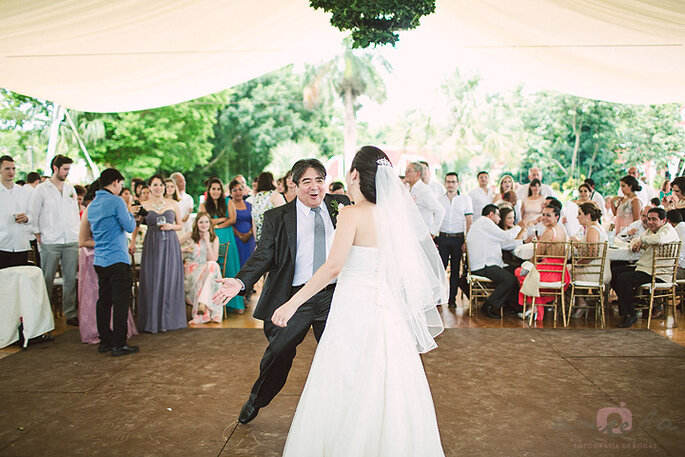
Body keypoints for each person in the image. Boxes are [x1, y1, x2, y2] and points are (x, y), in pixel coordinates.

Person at [232, 147, 445, 455]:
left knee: (343, 375)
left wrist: (291, 304)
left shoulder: (350, 212)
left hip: (351, 305)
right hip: (385, 309)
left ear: (355, 175)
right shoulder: (391, 216)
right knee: (387, 378)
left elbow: (333, 266)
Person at [213, 158, 351, 426]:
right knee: (279, 353)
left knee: (339, 353)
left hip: (334, 295)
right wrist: (241, 282)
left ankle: (342, 411)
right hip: (294, 298)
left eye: (320, 180)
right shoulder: (277, 217)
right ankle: (257, 398)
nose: (315, 187)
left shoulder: (340, 205)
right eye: (307, 181)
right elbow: (263, 255)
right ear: (294, 184)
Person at [87, 168, 140, 356]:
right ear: (115, 182)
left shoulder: (92, 205)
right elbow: (129, 226)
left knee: (104, 301)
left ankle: (105, 341)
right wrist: (130, 213)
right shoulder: (116, 201)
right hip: (117, 258)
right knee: (120, 303)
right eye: (121, 184)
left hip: (100, 259)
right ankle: (119, 343)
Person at [29, 155, 80, 326]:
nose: (67, 172)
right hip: (50, 240)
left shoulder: (70, 189)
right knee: (47, 278)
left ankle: (70, 313)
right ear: (55, 168)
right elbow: (33, 214)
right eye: (65, 169)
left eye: (68, 169)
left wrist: (76, 233)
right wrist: (37, 234)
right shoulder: (41, 189)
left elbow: (75, 213)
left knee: (70, 278)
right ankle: (43, 315)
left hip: (70, 239)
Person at [133, 174, 186, 333]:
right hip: (152, 243)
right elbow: (135, 225)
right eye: (155, 185)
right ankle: (153, 320)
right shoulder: (144, 204)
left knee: (169, 278)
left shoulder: (173, 203)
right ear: (149, 187)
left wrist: (171, 227)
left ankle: (169, 319)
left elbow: (180, 225)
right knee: (152, 278)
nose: (158, 188)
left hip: (170, 243)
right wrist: (132, 242)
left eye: (161, 185)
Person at [614, 207, 679, 328]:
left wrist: (642, 240)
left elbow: (658, 240)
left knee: (624, 278)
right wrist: (636, 244)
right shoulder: (650, 231)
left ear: (664, 220)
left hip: (659, 272)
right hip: (646, 269)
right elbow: (634, 241)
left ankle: (630, 314)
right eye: (648, 219)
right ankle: (631, 303)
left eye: (654, 219)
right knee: (615, 272)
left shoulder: (668, 230)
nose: (649, 222)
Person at [466, 204, 526, 318]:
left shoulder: (483, 225)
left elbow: (503, 244)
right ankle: (489, 305)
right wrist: (519, 227)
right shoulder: (485, 222)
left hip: (490, 264)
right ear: (491, 214)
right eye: (498, 215)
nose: (499, 219)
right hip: (483, 266)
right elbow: (505, 236)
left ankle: (512, 305)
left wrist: (522, 241)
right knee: (509, 279)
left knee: (516, 271)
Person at [515, 205, 570, 321]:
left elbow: (538, 255)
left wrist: (528, 265)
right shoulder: (561, 230)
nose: (544, 218)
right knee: (528, 274)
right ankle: (535, 307)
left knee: (520, 272)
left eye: (548, 215)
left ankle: (534, 307)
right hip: (560, 271)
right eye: (543, 214)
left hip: (549, 271)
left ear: (557, 217)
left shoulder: (549, 232)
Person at [199, 177, 244, 312]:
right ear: (209, 190)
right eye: (213, 189)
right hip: (211, 237)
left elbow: (232, 219)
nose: (216, 191)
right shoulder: (204, 205)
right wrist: (221, 220)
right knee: (213, 269)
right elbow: (204, 221)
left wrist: (217, 224)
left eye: (218, 189)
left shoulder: (228, 201)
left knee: (230, 268)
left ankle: (234, 304)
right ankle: (212, 304)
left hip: (227, 236)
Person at [436, 172, 472, 308]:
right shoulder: (439, 200)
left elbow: (469, 222)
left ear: (458, 183)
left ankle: (452, 300)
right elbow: (434, 220)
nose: (450, 185)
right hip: (443, 238)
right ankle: (438, 298)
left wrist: (466, 241)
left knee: (456, 271)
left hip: (458, 239)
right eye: (448, 182)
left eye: (453, 182)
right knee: (441, 269)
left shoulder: (465, 199)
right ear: (445, 183)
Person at [180, 212, 224, 324]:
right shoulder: (190, 235)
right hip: (193, 269)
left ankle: (202, 304)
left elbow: (213, 258)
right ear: (196, 224)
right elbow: (173, 244)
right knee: (212, 268)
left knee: (213, 265)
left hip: (208, 270)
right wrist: (183, 250)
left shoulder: (214, 238)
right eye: (201, 222)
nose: (204, 225)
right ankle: (204, 306)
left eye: (206, 222)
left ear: (210, 224)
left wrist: (207, 242)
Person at [570, 203, 612, 318]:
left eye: (579, 214)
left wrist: (578, 264)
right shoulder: (597, 228)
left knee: (566, 271)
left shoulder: (592, 230)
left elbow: (592, 254)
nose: (577, 217)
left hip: (596, 273)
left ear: (588, 216)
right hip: (600, 270)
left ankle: (579, 303)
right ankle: (580, 302)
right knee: (569, 269)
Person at [0, 155, 33, 269]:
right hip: (2, 245)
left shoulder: (23, 191)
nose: (11, 172)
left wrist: (27, 218)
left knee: (19, 280)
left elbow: (32, 214)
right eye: (7, 169)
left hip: (20, 244)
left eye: (13, 168)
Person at [405, 162, 445, 236]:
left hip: (421, 236)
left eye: (409, 171)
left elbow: (440, 210)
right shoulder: (407, 189)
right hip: (410, 234)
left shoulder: (423, 190)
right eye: (406, 170)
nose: (405, 173)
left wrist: (432, 231)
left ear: (418, 174)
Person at [227, 178, 256, 267]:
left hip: (250, 239)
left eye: (240, 189)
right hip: (235, 239)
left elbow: (254, 221)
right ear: (231, 193)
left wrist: (250, 233)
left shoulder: (249, 205)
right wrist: (239, 235)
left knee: (250, 263)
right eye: (235, 190)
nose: (238, 192)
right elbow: (228, 222)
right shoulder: (228, 205)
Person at [251, 172, 286, 242]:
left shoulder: (256, 198)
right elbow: (284, 217)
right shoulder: (275, 196)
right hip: (275, 238)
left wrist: (256, 241)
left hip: (260, 239)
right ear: (272, 181)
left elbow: (254, 222)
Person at [666, 209, 685, 281]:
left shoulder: (680, 230)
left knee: (656, 274)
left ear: (668, 222)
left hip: (682, 270)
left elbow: (680, 253)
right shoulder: (681, 227)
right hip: (680, 267)